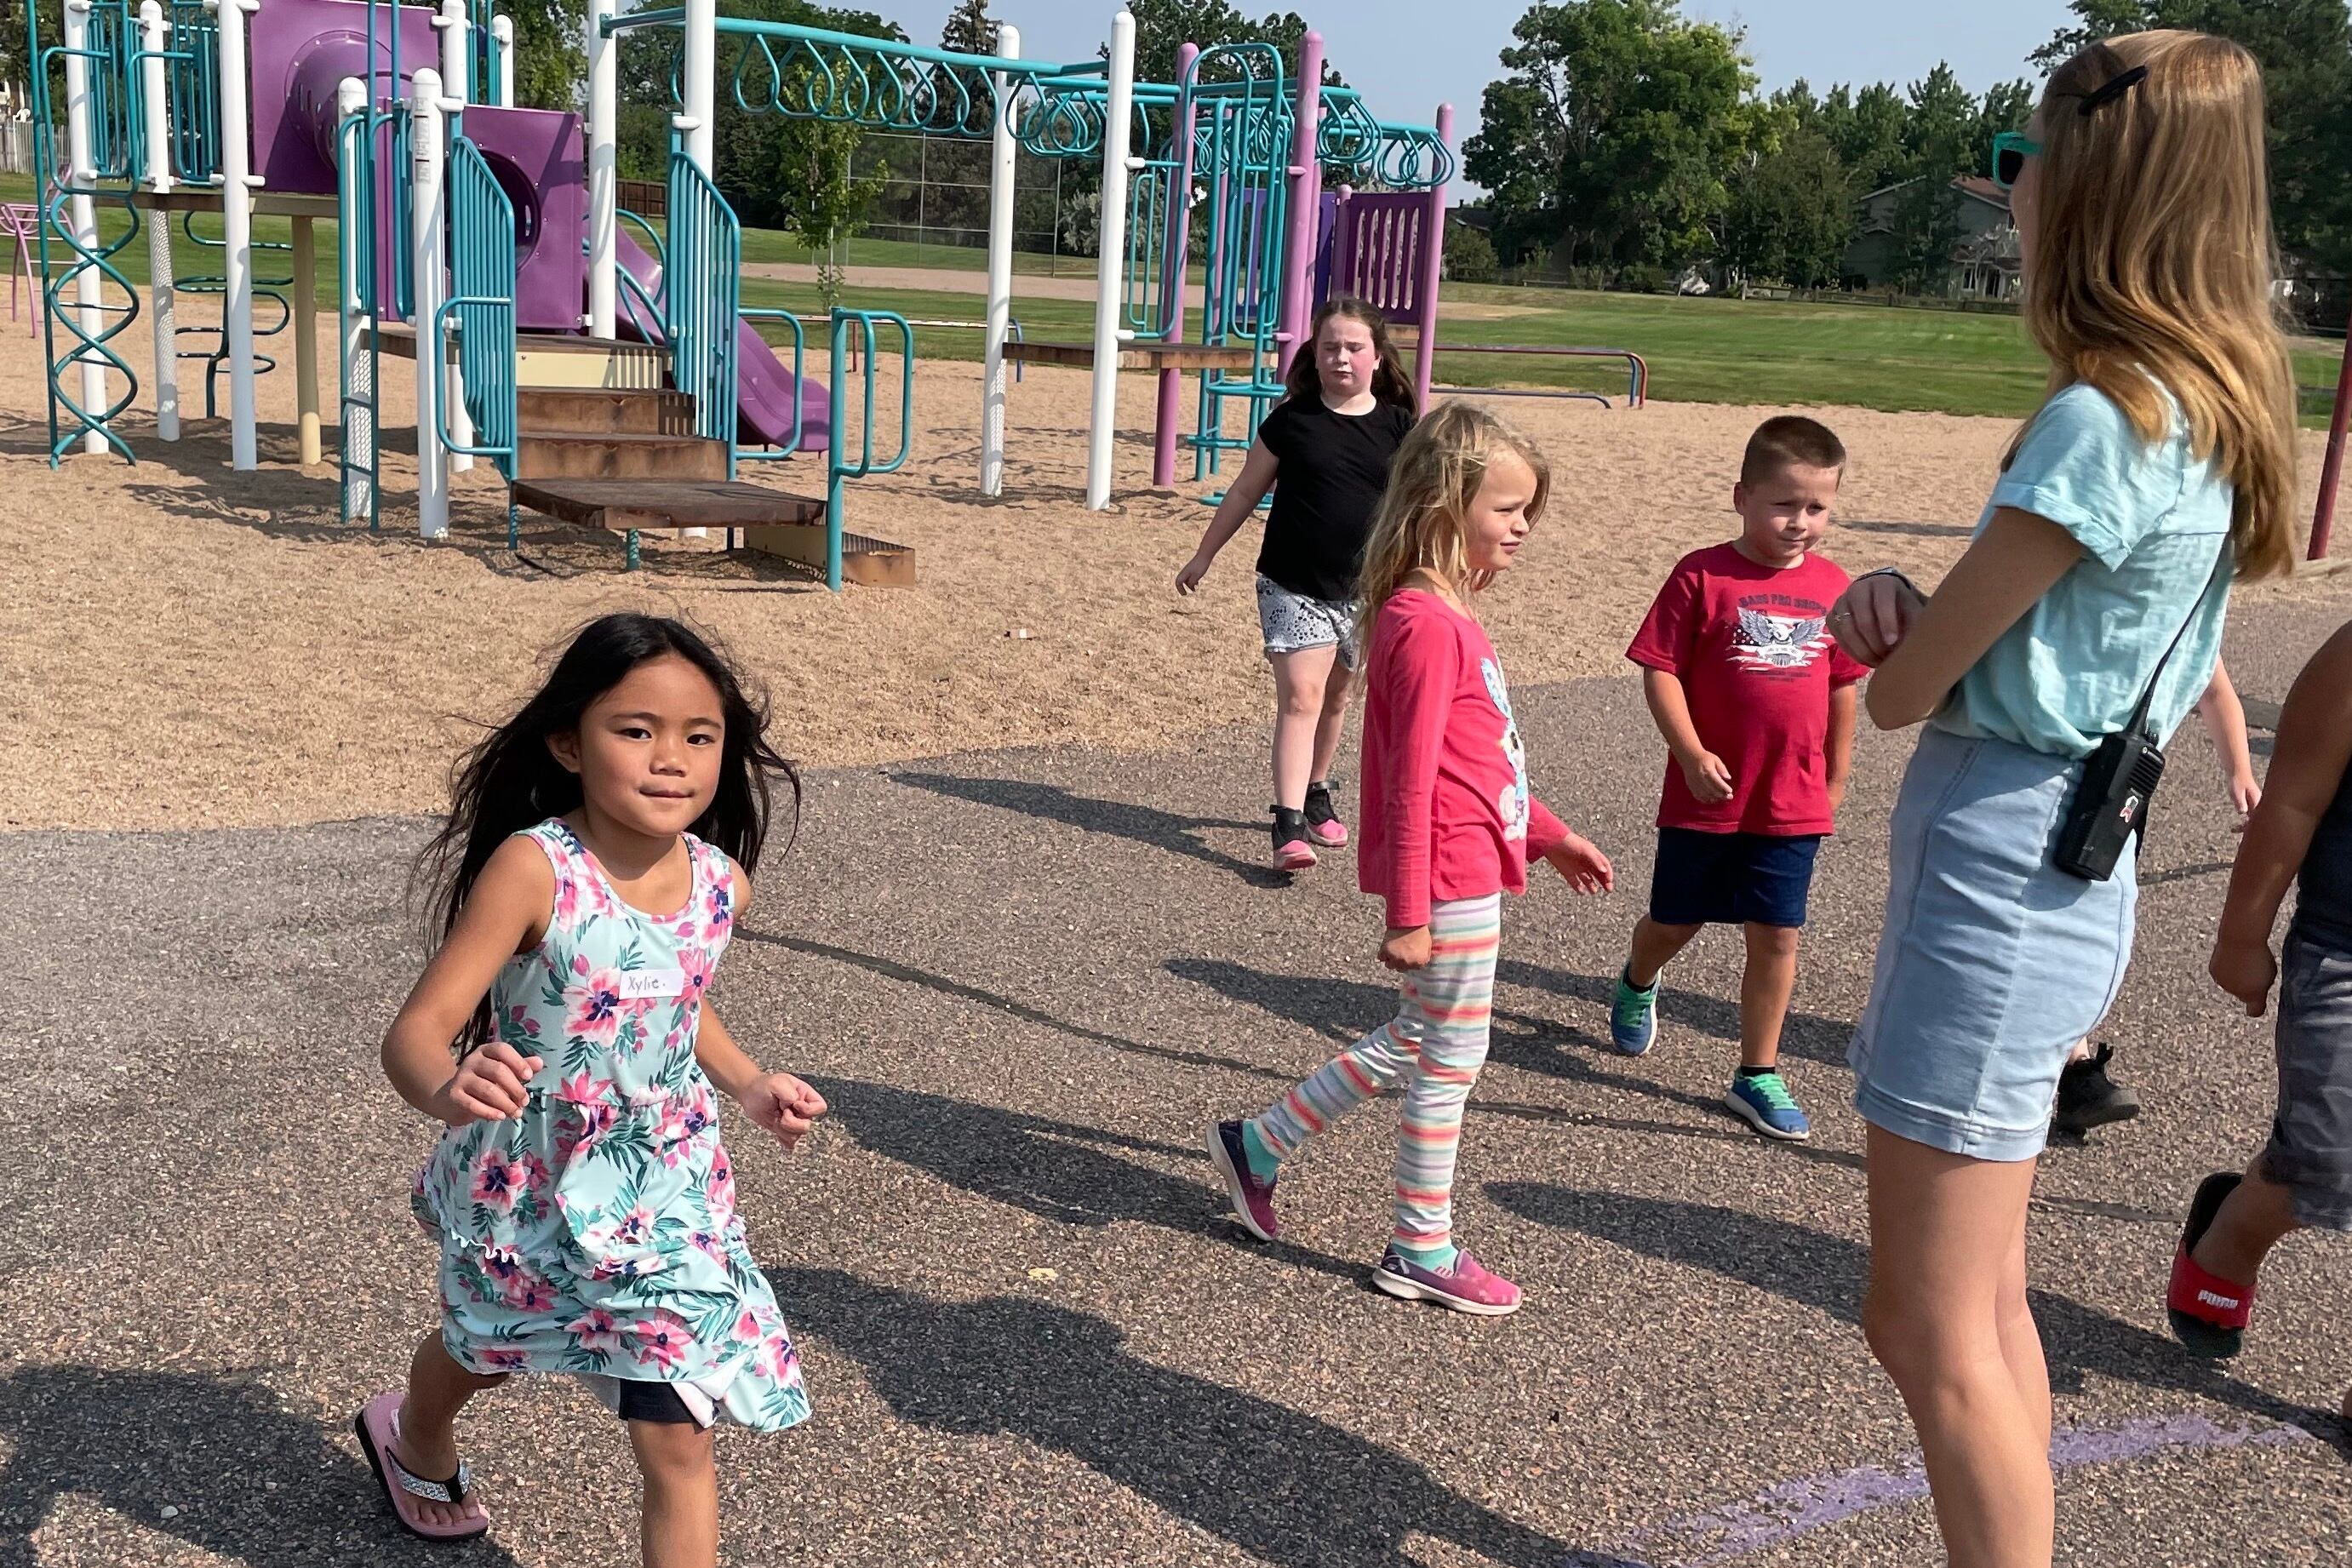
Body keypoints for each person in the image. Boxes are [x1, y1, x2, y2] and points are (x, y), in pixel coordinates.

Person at [1826, 32, 2300, 1568]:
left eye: (2025, 168)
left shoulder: (2102, 416)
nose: (2012, 199)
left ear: (2091, 187)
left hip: (1998, 861)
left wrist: (1881, 609)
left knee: (1923, 1322)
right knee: (1983, 1307)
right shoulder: (2216, 400)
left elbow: (1905, 690)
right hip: (2074, 867)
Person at [358, 615, 830, 1565]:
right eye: (636, 730)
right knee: (487, 1346)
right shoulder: (536, 869)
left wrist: (748, 1082)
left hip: (664, 1182)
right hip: (530, 1174)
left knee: (678, 1428)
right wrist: (451, 1085)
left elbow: (672, 998)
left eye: (700, 736)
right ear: (569, 742)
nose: (671, 760)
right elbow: (411, 1036)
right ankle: (413, 1435)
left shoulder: (719, 882)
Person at [1203, 402, 1615, 1315]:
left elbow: (1482, 760)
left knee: (1425, 1042)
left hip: (1471, 863)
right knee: (1446, 1058)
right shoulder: (1427, 623)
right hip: (1452, 878)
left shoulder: (1438, 612)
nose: (1520, 530)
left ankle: (1261, 1146)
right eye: (1507, 510)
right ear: (1444, 500)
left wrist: (1547, 835)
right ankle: (1419, 1244)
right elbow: (1409, 779)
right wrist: (1411, 914)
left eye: (1527, 515)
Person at [1607, 415, 1868, 1141]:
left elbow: (1842, 687)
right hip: (1705, 794)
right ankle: (1635, 978)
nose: (1799, 523)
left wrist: (1836, 778)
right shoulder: (1701, 574)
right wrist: (1689, 753)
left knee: (1777, 935)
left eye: (1816, 508)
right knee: (1675, 921)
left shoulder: (1832, 586)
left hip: (1791, 799)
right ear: (1741, 498)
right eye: (1784, 505)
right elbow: (1660, 670)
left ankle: (1756, 1072)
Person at [1176, 297, 1419, 872]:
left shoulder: (1400, 426)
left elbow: (1423, 506)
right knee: (1301, 697)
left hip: (1367, 588)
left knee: (1337, 697)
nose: (1340, 358)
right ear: (1314, 354)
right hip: (1292, 582)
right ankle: (1286, 824)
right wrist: (1203, 555)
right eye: (1328, 347)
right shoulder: (1293, 419)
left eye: (1353, 348)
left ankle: (1314, 792)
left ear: (1378, 359)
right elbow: (1243, 491)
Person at [2171, 621, 2352, 1368]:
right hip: (2345, 952)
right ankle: (2231, 1236)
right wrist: (2240, 939)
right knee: (2327, 1156)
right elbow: (2292, 803)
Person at [2055, 658, 2263, 1136]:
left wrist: (2241, 772)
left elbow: (2214, 689)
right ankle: (2070, 1067)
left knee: (2090, 927)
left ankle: (2071, 1063)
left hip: (2117, 788)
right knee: (2051, 919)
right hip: (2037, 777)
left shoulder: (2187, 599)